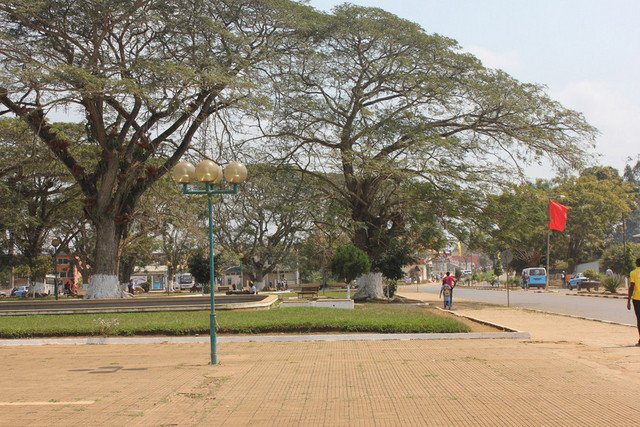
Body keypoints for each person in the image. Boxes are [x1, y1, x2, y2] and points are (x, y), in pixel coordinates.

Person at [626, 257, 640, 346]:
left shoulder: (633, 273)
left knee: (639, 319)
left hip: (637, 299)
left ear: (636, 264)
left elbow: (631, 287)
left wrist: (628, 300)